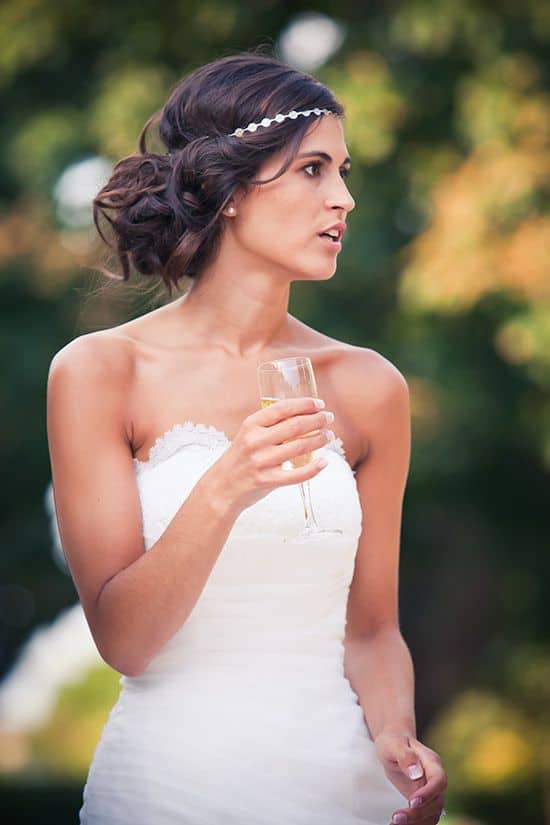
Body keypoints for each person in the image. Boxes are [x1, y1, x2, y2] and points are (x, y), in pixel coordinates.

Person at [46, 50, 448, 825]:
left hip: (339, 792)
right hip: (165, 792)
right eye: (313, 170)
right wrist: (227, 486)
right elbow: (125, 641)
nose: (345, 198)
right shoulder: (100, 371)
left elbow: (372, 630)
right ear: (229, 191)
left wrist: (397, 737)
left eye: (345, 171)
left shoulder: (370, 386)